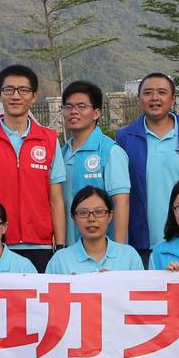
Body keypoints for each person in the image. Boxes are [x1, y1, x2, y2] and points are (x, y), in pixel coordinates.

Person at [0, 65, 68, 271]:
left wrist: (60, 246)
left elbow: (56, 199)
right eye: (9, 90)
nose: (15, 96)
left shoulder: (49, 139)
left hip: (41, 245)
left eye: (23, 90)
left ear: (34, 96)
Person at [114, 72, 179, 261]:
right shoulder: (125, 138)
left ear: (173, 98)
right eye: (148, 93)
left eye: (162, 92)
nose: (154, 98)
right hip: (142, 243)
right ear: (139, 98)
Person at [59, 80, 131, 243]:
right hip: (70, 249)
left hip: (102, 249)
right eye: (68, 107)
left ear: (96, 113)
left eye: (81, 106)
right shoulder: (62, 153)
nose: (74, 112)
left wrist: (118, 250)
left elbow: (121, 202)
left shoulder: (110, 152)